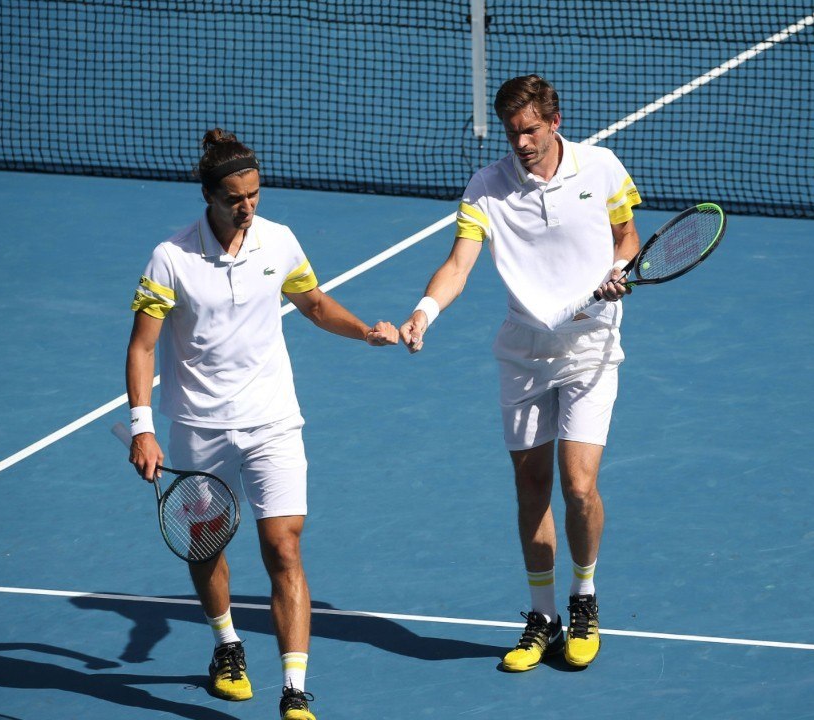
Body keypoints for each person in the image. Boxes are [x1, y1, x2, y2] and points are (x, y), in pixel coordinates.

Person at [124, 129, 399, 720]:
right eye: (234, 198)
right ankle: (227, 645)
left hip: (272, 419)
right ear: (208, 196)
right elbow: (143, 347)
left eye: (254, 193)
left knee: (283, 545)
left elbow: (315, 303)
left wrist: (365, 332)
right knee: (206, 547)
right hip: (199, 427)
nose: (247, 206)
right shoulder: (170, 258)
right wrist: (142, 426)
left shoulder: (278, 241)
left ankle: (295, 690)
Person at [399, 75, 641, 672]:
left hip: (591, 345)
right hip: (524, 352)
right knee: (531, 487)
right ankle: (542, 616)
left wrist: (619, 270)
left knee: (578, 485)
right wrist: (424, 311)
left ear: (555, 121)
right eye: (513, 133)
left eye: (531, 130)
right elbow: (459, 264)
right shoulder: (486, 188)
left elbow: (627, 237)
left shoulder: (603, 167)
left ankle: (583, 600)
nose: (522, 143)